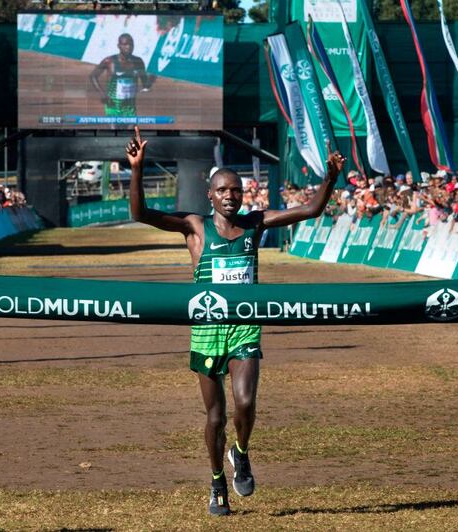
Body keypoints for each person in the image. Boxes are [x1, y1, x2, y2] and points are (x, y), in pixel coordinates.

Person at [126, 126, 345, 516]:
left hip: (245, 327)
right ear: (210, 195)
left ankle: (240, 453)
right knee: (215, 416)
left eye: (236, 191)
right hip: (207, 332)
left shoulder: (254, 224)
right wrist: (138, 170)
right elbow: (141, 214)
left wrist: (329, 178)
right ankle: (216, 483)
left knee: (245, 404)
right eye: (223, 191)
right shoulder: (194, 227)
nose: (230, 196)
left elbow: (310, 210)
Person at [90, 34, 153, 118]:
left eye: (131, 44)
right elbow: (93, 76)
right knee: (115, 131)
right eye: (125, 44)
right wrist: (102, 94)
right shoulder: (109, 61)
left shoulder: (138, 62)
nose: (128, 47)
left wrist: (150, 81)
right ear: (119, 46)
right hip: (112, 106)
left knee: (131, 130)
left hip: (130, 107)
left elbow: (145, 83)